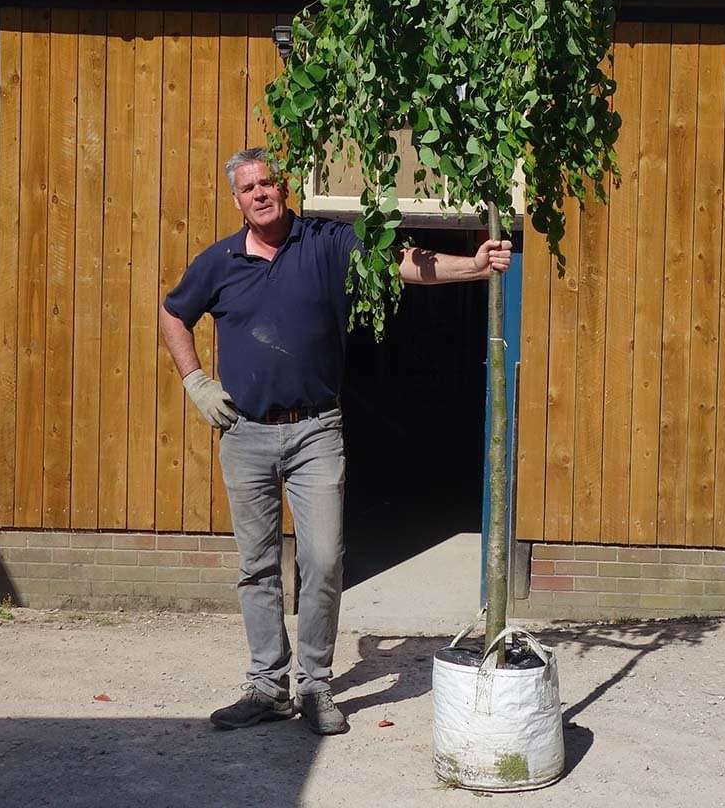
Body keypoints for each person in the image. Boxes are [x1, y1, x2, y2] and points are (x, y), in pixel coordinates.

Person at [159, 147, 512, 735]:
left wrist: (473, 266)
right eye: (249, 189)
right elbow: (174, 316)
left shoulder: (326, 242)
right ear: (237, 200)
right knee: (257, 565)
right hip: (244, 432)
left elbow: (400, 262)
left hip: (316, 429)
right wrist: (195, 381)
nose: (261, 195)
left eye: (268, 183)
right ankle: (267, 687)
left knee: (323, 559)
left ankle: (316, 685)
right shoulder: (218, 263)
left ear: (284, 186)